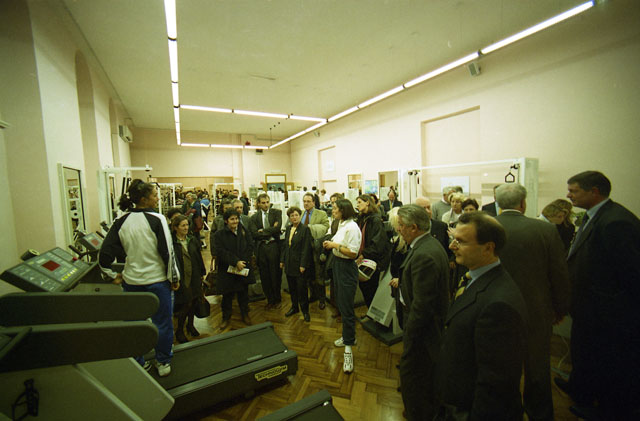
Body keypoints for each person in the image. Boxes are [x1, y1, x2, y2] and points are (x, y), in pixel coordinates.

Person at [555, 171, 640, 420]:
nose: (568, 195)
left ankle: (608, 409)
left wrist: (615, 307)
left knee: (609, 361)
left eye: (574, 191)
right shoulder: (596, 216)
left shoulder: (616, 222)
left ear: (594, 192)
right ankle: (580, 389)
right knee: (585, 351)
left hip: (608, 311)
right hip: (589, 306)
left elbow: (631, 272)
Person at [434, 212, 527, 420]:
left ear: (488, 248)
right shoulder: (471, 278)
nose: (452, 246)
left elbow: (495, 384)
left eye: (461, 241)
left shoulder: (499, 304)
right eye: (454, 239)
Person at [495, 183, 570, 421]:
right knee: (537, 367)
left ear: (498, 203)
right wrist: (560, 307)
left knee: (499, 365)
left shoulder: (485, 227)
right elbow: (558, 272)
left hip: (496, 307)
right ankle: (540, 414)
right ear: (523, 203)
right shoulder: (545, 230)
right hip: (536, 308)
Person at [99, 179, 179, 377]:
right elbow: (168, 252)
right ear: (144, 199)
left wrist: (110, 275)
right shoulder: (158, 219)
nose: (157, 198)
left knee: (134, 325)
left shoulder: (121, 221)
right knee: (162, 324)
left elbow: (104, 253)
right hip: (157, 282)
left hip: (132, 283)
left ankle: (138, 363)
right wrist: (174, 278)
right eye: (155, 195)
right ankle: (163, 362)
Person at [396, 204, 450, 421]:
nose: (398, 229)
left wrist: (410, 333)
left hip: (422, 330)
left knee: (414, 375)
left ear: (414, 227)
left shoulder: (424, 255)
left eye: (401, 225)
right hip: (425, 326)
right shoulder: (428, 245)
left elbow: (422, 305)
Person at [323, 199, 361, 373]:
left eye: (335, 209)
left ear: (343, 211)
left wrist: (334, 245)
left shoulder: (352, 227)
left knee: (346, 308)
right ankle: (347, 337)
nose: (333, 211)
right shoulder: (341, 224)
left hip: (346, 267)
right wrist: (331, 244)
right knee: (340, 303)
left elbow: (352, 253)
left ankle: (349, 347)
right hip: (338, 265)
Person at [214, 208, 255, 329]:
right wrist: (235, 262)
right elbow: (220, 251)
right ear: (226, 221)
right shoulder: (219, 235)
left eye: (236, 218)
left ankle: (245, 314)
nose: (235, 221)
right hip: (227, 269)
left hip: (242, 267)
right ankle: (226, 317)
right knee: (227, 295)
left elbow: (250, 246)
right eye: (232, 219)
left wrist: (242, 262)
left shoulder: (244, 231)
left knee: (243, 293)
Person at [171, 215, 206, 343]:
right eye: (183, 225)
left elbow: (198, 256)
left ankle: (190, 325)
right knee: (185, 304)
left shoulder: (192, 240)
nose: (186, 228)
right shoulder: (172, 242)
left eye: (187, 225)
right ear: (175, 228)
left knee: (194, 301)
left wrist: (202, 272)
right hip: (182, 277)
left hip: (195, 275)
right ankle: (179, 330)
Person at [355, 194, 389, 312]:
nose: (357, 205)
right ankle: (370, 313)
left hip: (372, 260)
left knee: (371, 290)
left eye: (360, 202)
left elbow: (378, 242)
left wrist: (364, 254)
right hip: (362, 258)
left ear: (367, 203)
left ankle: (373, 314)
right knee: (364, 288)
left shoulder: (375, 220)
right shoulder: (361, 219)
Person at [250, 193, 283, 309]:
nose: (266, 205)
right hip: (261, 247)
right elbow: (254, 234)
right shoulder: (254, 218)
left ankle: (277, 299)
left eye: (267, 202)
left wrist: (262, 231)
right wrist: (270, 230)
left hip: (273, 246)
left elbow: (277, 229)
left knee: (275, 274)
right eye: (263, 203)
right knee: (264, 275)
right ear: (259, 204)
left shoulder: (277, 213)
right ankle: (270, 299)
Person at [280, 206, 313, 322]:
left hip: (299, 265)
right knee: (292, 288)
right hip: (289, 264)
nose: (294, 217)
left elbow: (306, 249)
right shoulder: (288, 228)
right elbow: (285, 246)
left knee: (302, 290)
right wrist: (282, 260)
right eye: (292, 216)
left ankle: (305, 311)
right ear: (289, 218)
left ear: (300, 216)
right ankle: (294, 307)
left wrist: (303, 265)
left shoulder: (305, 229)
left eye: (296, 215)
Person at [301, 193, 330, 309]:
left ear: (313, 202)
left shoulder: (321, 213)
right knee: (308, 274)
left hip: (316, 249)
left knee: (319, 275)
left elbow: (326, 227)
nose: (306, 203)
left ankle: (322, 299)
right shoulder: (301, 214)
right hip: (304, 250)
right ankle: (313, 295)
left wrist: (310, 227)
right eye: (304, 201)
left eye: (308, 201)